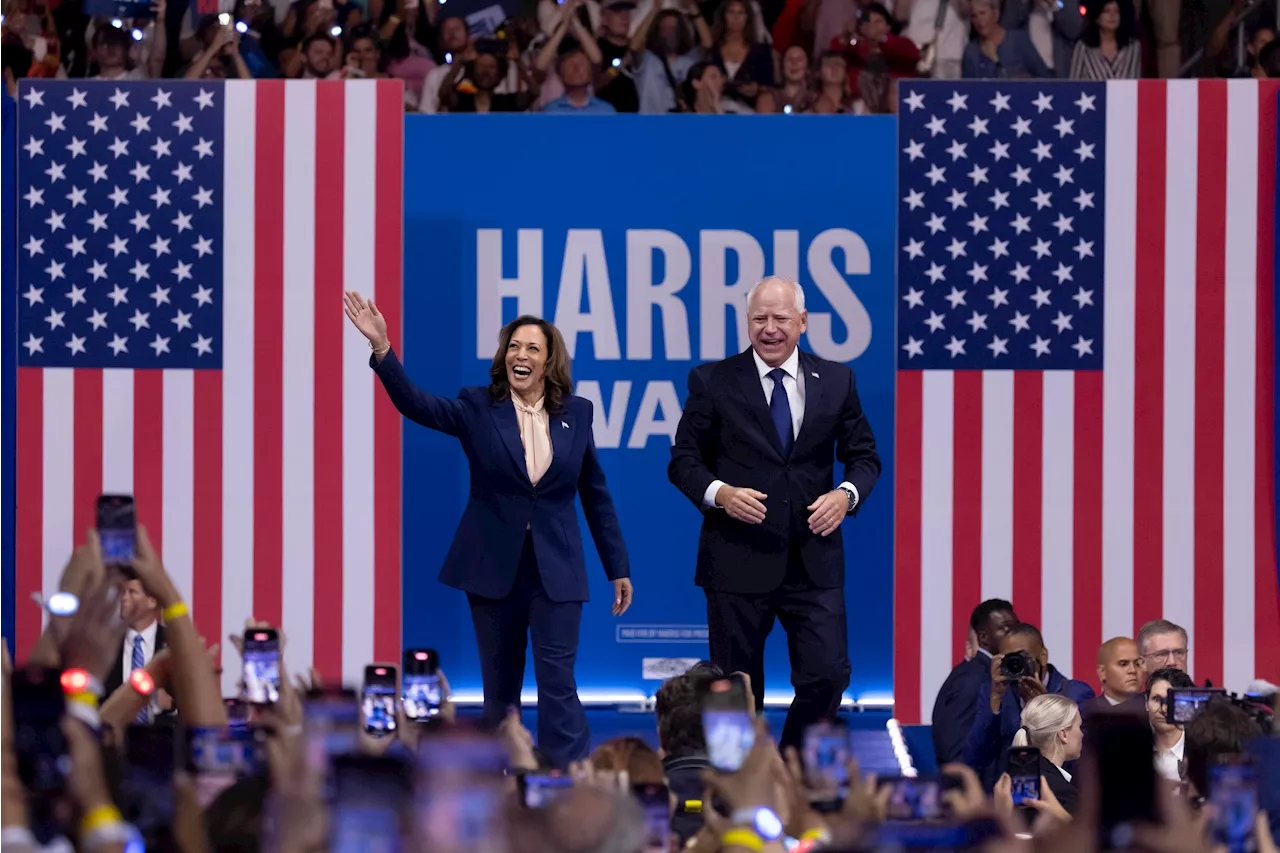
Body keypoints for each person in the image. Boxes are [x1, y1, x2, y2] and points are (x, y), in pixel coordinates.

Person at [343, 291, 633, 768]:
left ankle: (566, 782)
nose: (521, 355)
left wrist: (616, 567)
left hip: (557, 571)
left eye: (532, 349)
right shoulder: (477, 407)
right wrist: (383, 350)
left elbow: (594, 492)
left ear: (549, 360)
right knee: (500, 690)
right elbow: (417, 405)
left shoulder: (577, 413)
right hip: (493, 569)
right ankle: (502, 781)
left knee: (558, 682)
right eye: (514, 347)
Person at [668, 276, 881, 751]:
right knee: (734, 692)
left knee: (828, 675)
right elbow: (683, 461)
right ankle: (733, 785)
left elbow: (864, 458)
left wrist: (845, 496)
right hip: (736, 559)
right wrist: (720, 493)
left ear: (802, 322)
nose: (770, 329)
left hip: (814, 560)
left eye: (780, 318)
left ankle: (788, 767)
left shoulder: (839, 380)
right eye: (759, 319)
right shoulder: (712, 381)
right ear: (747, 323)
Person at [963, 622, 1095, 788]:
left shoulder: (1075, 694)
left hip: (1061, 795)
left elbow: (1082, 760)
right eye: (1009, 659)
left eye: (1022, 657)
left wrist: (1047, 708)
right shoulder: (995, 692)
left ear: (1043, 656)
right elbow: (973, 758)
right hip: (1011, 800)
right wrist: (995, 701)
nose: (1016, 665)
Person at [932, 599, 1018, 765]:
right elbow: (955, 755)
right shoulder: (971, 680)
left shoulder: (998, 675)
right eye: (1005, 628)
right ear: (984, 638)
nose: (1014, 634)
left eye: (1016, 626)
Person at [103, 575, 170, 722]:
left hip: (163, 739)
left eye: (132, 592)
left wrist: (172, 705)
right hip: (115, 739)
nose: (124, 598)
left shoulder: (173, 644)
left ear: (152, 601)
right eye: (123, 592)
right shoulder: (106, 645)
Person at [1009, 693, 1083, 814]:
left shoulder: (1016, 783)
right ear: (1063, 734)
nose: (1082, 734)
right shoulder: (1063, 793)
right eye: (1079, 726)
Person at [1146, 666, 1194, 781]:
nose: (1164, 709)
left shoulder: (1203, 750)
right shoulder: (1131, 751)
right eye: (1157, 699)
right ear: (1146, 702)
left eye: (1171, 700)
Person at [1081, 637, 1142, 717]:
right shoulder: (1084, 715)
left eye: (1137, 664)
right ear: (1102, 672)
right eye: (1123, 664)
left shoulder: (1157, 711)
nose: (1133, 670)